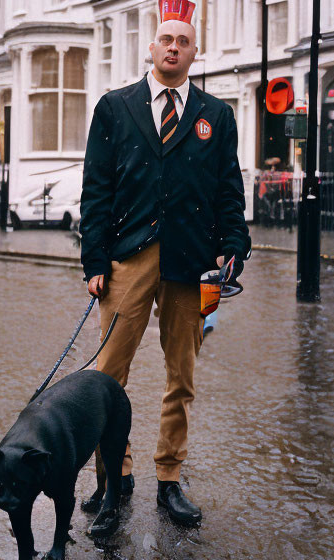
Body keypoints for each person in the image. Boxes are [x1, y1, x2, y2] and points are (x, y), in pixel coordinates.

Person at [79, 0, 250, 526]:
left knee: (182, 376)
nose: (173, 47)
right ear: (151, 47)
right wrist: (94, 257)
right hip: (127, 258)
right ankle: (115, 478)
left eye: (184, 41)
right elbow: (97, 189)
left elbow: (228, 193)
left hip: (191, 262)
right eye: (166, 39)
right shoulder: (114, 107)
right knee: (109, 376)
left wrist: (233, 246)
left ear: (196, 53)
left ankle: (169, 479)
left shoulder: (216, 116)